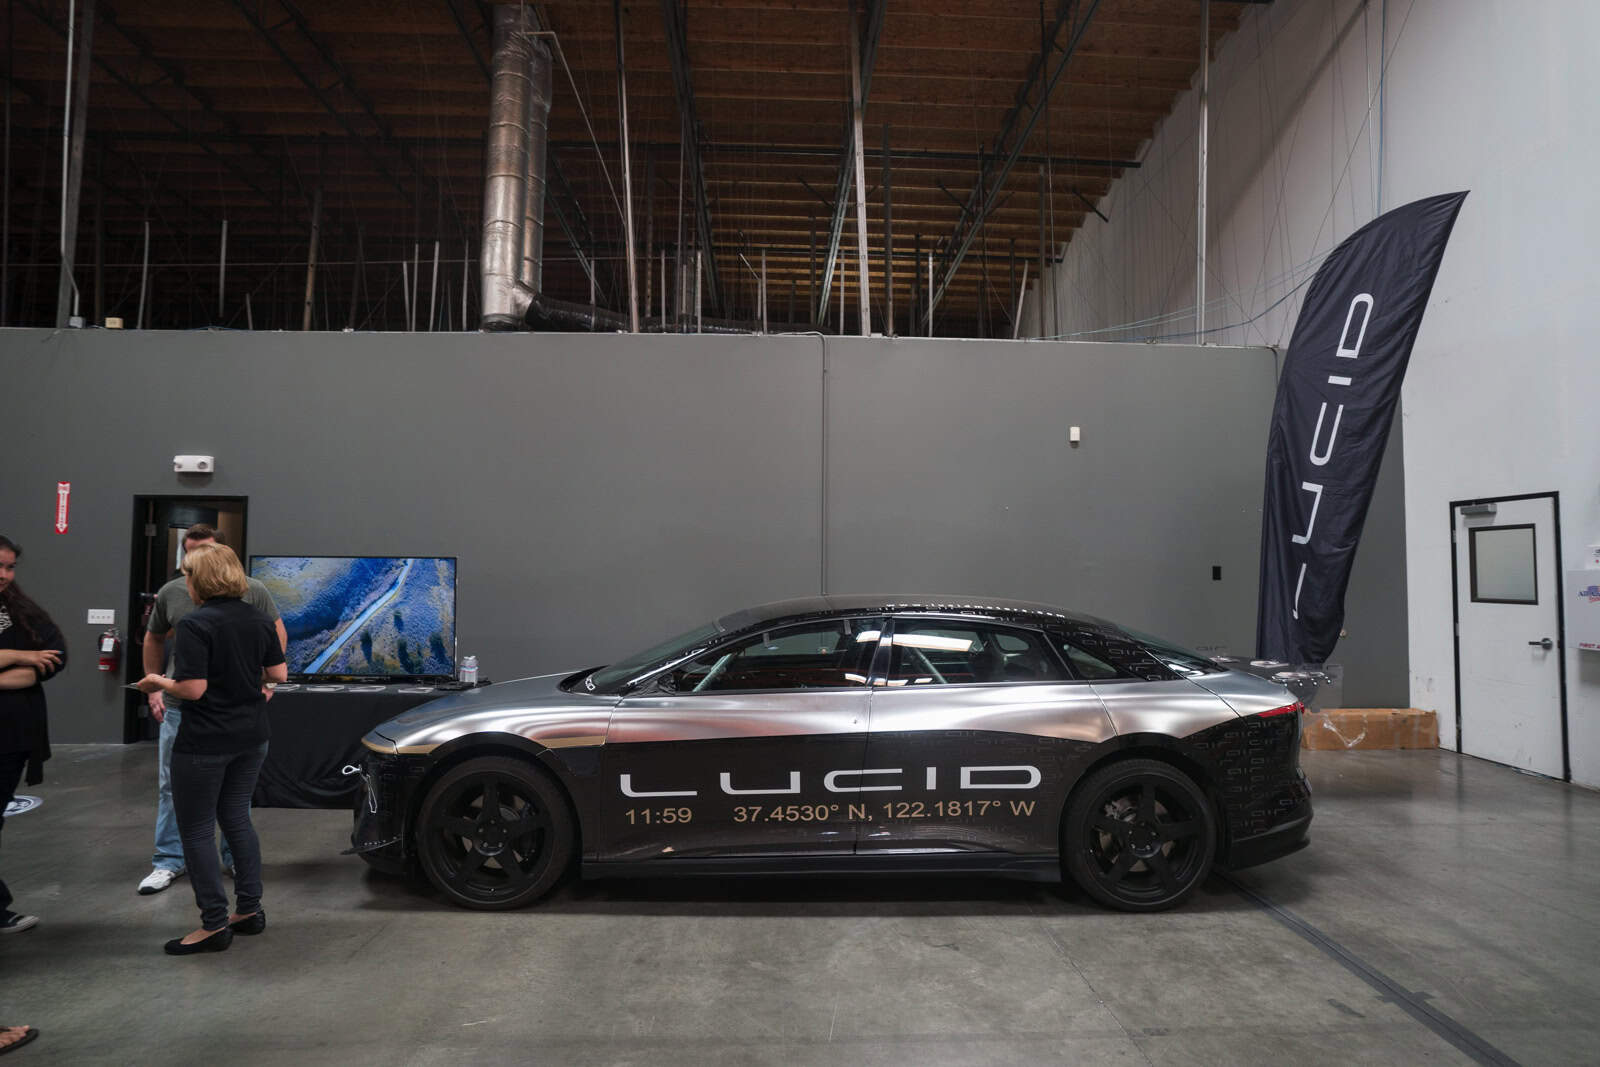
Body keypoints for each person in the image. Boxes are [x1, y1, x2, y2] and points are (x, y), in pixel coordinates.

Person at [137, 543, 286, 955]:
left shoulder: (195, 624)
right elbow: (278, 673)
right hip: (252, 737)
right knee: (237, 818)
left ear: (199, 580)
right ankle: (250, 910)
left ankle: (214, 924)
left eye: (188, 575)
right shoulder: (258, 619)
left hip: (205, 740)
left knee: (197, 829)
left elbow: (192, 689)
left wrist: (156, 682)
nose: (185, 582)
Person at [0, 534, 66, 938]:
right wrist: (20, 656)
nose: (5, 575)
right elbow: (32, 663)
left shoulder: (20, 611)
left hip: (11, 736)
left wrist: (23, 667)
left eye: (10, 567)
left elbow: (54, 657)